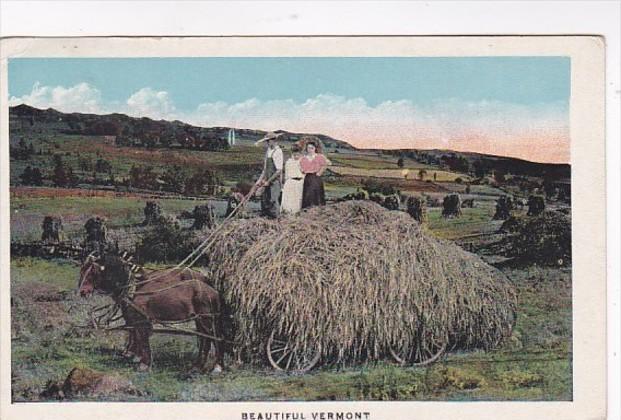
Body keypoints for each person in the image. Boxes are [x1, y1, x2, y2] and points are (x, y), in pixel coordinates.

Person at [255, 131, 284, 219]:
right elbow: (265, 169)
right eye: (266, 141)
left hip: (274, 181)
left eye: (268, 141)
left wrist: (269, 181)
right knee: (264, 199)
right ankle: (264, 219)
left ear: (274, 140)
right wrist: (259, 180)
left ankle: (276, 220)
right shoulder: (268, 151)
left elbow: (279, 170)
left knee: (273, 200)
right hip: (266, 180)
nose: (267, 143)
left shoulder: (278, 151)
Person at [299, 137, 329, 209]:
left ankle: (317, 211)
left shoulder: (319, 157)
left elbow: (324, 165)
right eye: (308, 148)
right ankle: (307, 211)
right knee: (308, 195)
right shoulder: (304, 158)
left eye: (312, 148)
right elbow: (302, 169)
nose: (310, 150)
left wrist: (319, 173)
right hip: (308, 178)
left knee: (317, 195)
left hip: (316, 178)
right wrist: (303, 171)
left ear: (315, 148)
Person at [280, 143, 305, 215]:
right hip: (290, 182)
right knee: (289, 200)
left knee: (298, 200)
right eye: (295, 154)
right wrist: (284, 185)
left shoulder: (303, 161)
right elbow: (286, 174)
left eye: (298, 154)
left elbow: (305, 173)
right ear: (292, 153)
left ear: (301, 154)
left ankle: (296, 214)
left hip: (300, 182)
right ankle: (287, 214)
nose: (296, 156)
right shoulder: (289, 162)